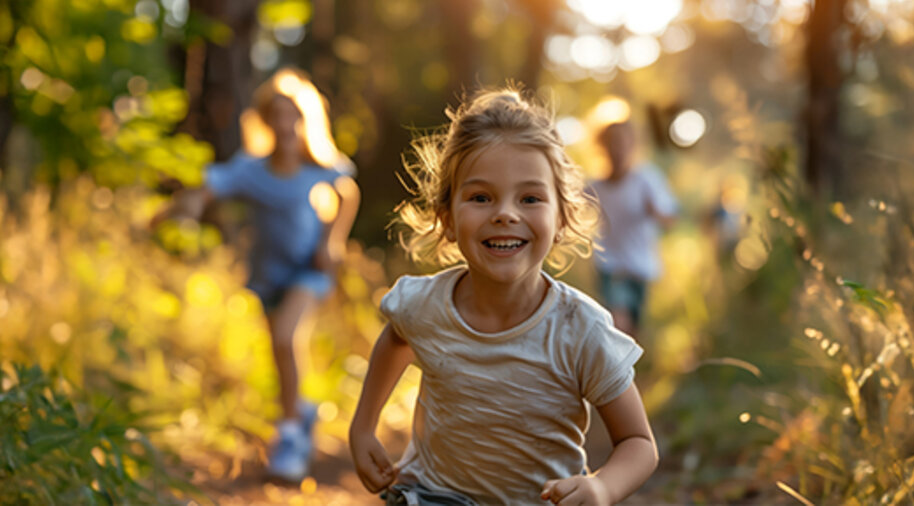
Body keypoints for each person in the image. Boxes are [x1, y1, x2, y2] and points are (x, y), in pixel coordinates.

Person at [348, 88, 657, 505]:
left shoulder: (580, 329)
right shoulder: (424, 305)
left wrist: (601, 486)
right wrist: (364, 425)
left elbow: (638, 442)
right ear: (448, 218)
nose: (505, 214)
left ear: (562, 218)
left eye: (529, 198)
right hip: (433, 495)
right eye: (480, 198)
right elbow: (397, 339)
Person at [152, 68, 360, 482]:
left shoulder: (319, 166)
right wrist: (169, 213)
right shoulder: (251, 170)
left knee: (287, 338)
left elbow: (348, 192)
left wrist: (330, 242)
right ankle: (300, 414)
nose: (285, 125)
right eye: (277, 116)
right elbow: (205, 190)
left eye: (293, 115)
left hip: (308, 273)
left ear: (305, 120)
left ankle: (291, 441)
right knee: (281, 355)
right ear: (265, 121)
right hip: (268, 277)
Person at [585, 98, 677, 339]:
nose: (617, 149)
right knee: (618, 321)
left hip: (641, 265)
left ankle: (626, 373)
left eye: (622, 143)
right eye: (611, 143)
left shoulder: (646, 179)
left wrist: (656, 213)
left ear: (633, 144)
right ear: (601, 146)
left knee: (631, 330)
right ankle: (610, 373)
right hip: (610, 264)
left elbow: (670, 220)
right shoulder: (594, 186)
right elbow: (567, 209)